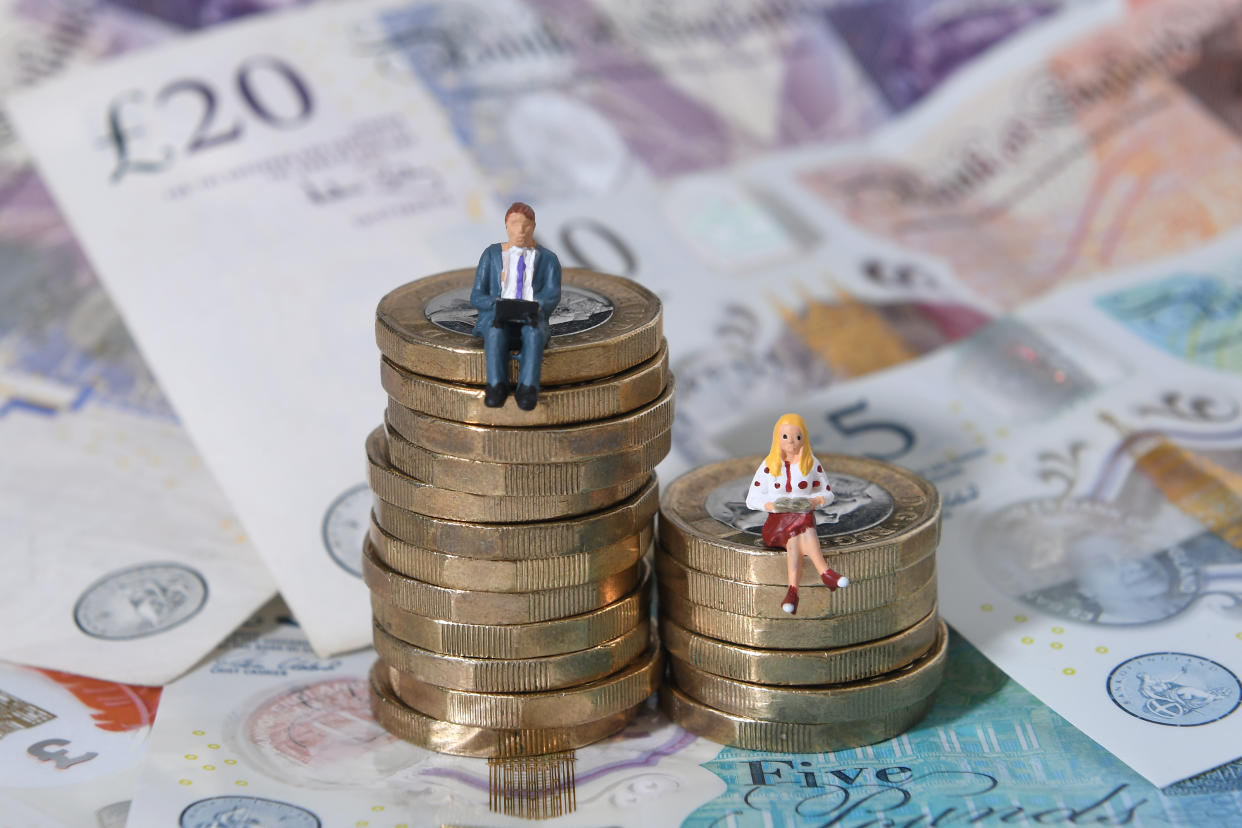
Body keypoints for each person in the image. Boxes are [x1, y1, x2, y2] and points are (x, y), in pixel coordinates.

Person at [746, 413, 849, 614]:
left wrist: (816, 500)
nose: (792, 442)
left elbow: (827, 493)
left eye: (797, 437)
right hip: (776, 526)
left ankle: (793, 590)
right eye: (786, 437)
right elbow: (751, 499)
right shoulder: (768, 466)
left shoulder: (811, 464)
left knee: (798, 532)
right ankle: (825, 572)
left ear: (805, 438)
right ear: (777, 438)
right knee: (802, 524)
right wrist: (772, 505)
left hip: (799, 523)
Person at [470, 202, 562, 410]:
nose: (520, 230)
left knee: (533, 333)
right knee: (495, 332)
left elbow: (553, 295)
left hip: (531, 315)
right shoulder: (491, 255)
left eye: (526, 225)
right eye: (514, 224)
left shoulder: (548, 259)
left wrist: (539, 305)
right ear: (506, 226)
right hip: (498, 313)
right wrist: (495, 303)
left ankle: (528, 388)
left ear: (534, 226)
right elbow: (476, 296)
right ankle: (496, 385)